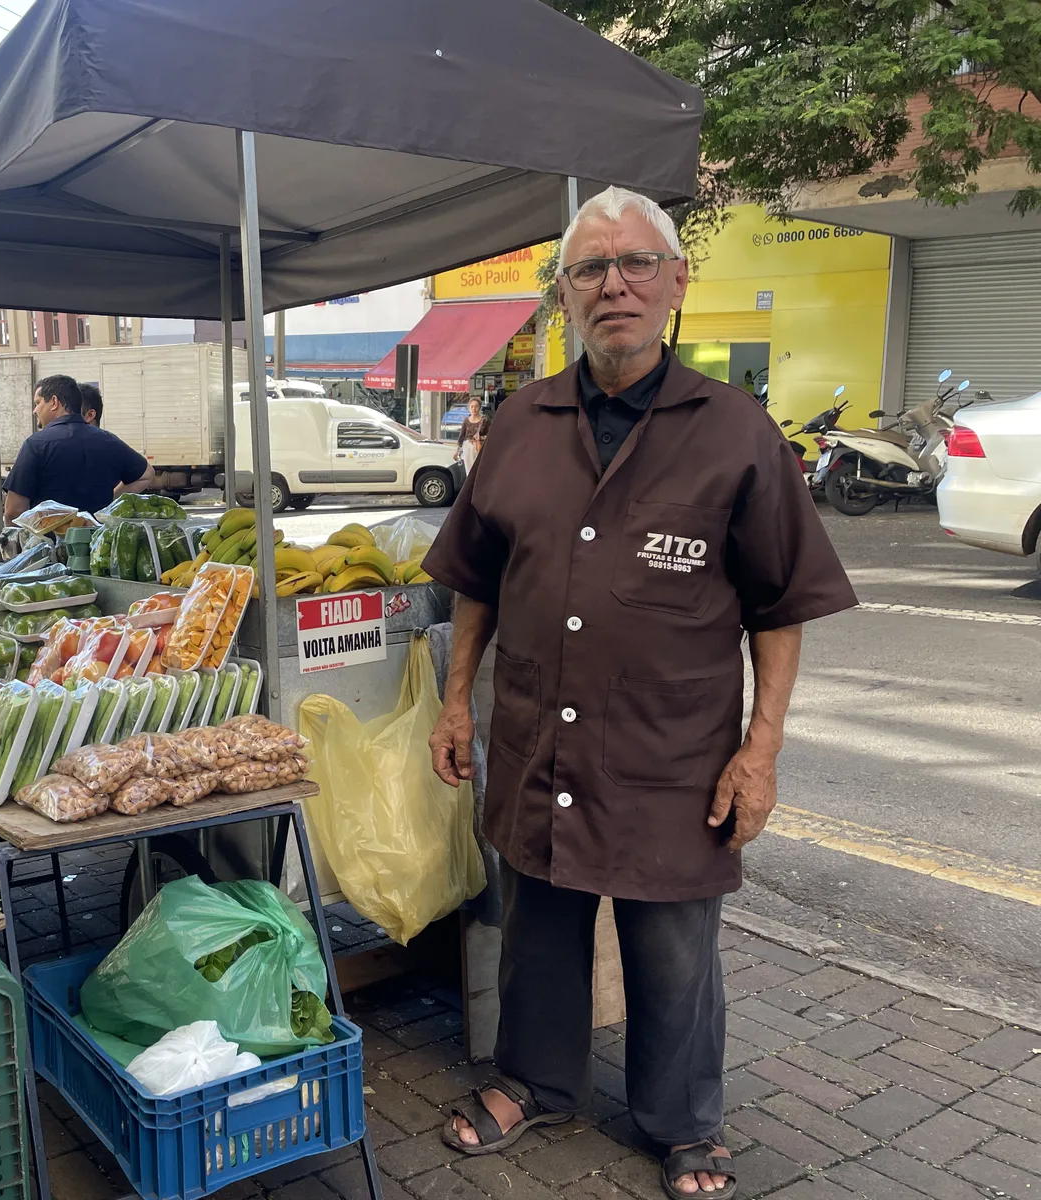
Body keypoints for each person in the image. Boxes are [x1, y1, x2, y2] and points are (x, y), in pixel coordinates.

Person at [423, 187, 857, 1200]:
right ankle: (533, 1080)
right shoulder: (521, 423)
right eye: (587, 268)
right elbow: (473, 579)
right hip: (538, 735)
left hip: (675, 753)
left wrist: (761, 750)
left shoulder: (737, 432)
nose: (610, 284)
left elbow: (779, 604)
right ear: (563, 294)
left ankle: (682, 1121)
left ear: (673, 283)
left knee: (673, 948)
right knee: (539, 924)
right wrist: (454, 700)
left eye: (632, 263)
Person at [3, 374, 151, 519]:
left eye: (38, 403)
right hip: (98, 540)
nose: (34, 410)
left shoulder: (36, 444)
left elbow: (14, 511)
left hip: (50, 541)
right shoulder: (109, 441)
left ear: (54, 402)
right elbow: (146, 475)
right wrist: (111, 500)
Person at [457, 396, 488, 473]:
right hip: (468, 448)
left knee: (479, 470)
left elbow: (490, 435)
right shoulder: (466, 421)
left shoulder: (485, 420)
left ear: (480, 407)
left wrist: (480, 438)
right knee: (469, 471)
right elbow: (461, 436)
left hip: (480, 447)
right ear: (469, 408)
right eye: (472, 407)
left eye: (476, 406)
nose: (474, 409)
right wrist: (457, 450)